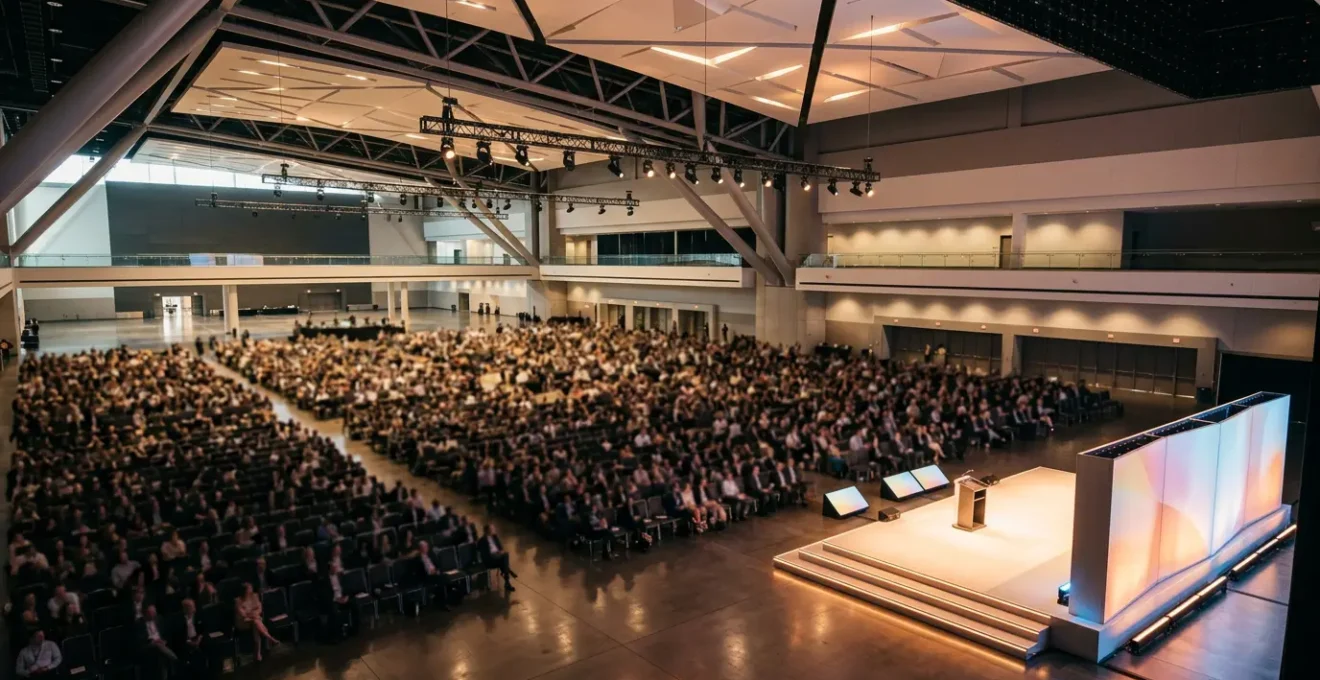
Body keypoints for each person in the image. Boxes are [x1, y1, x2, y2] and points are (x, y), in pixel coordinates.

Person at [233, 582, 279, 661]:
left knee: (256, 624)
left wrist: (253, 614)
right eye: (249, 588)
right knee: (256, 621)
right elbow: (243, 614)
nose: (251, 590)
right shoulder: (238, 601)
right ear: (245, 590)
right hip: (242, 622)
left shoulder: (255, 596)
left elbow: (259, 608)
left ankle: (258, 653)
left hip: (253, 620)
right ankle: (270, 638)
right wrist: (254, 614)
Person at [137, 605, 177, 680]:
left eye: (154, 613)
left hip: (160, 645)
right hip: (148, 645)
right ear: (146, 614)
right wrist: (153, 641)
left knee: (161, 656)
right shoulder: (140, 623)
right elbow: (140, 639)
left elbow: (165, 633)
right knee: (158, 646)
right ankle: (175, 659)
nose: (154, 615)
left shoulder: (159, 618)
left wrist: (164, 641)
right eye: (151, 614)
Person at [476, 524, 516, 592]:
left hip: (497, 557)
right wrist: (497, 554)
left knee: (504, 557)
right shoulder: (482, 541)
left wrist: (500, 552)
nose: (494, 530)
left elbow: (501, 548)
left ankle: (507, 579)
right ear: (487, 530)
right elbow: (485, 555)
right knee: (505, 558)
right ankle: (507, 575)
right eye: (492, 529)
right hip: (490, 561)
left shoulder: (495, 537)